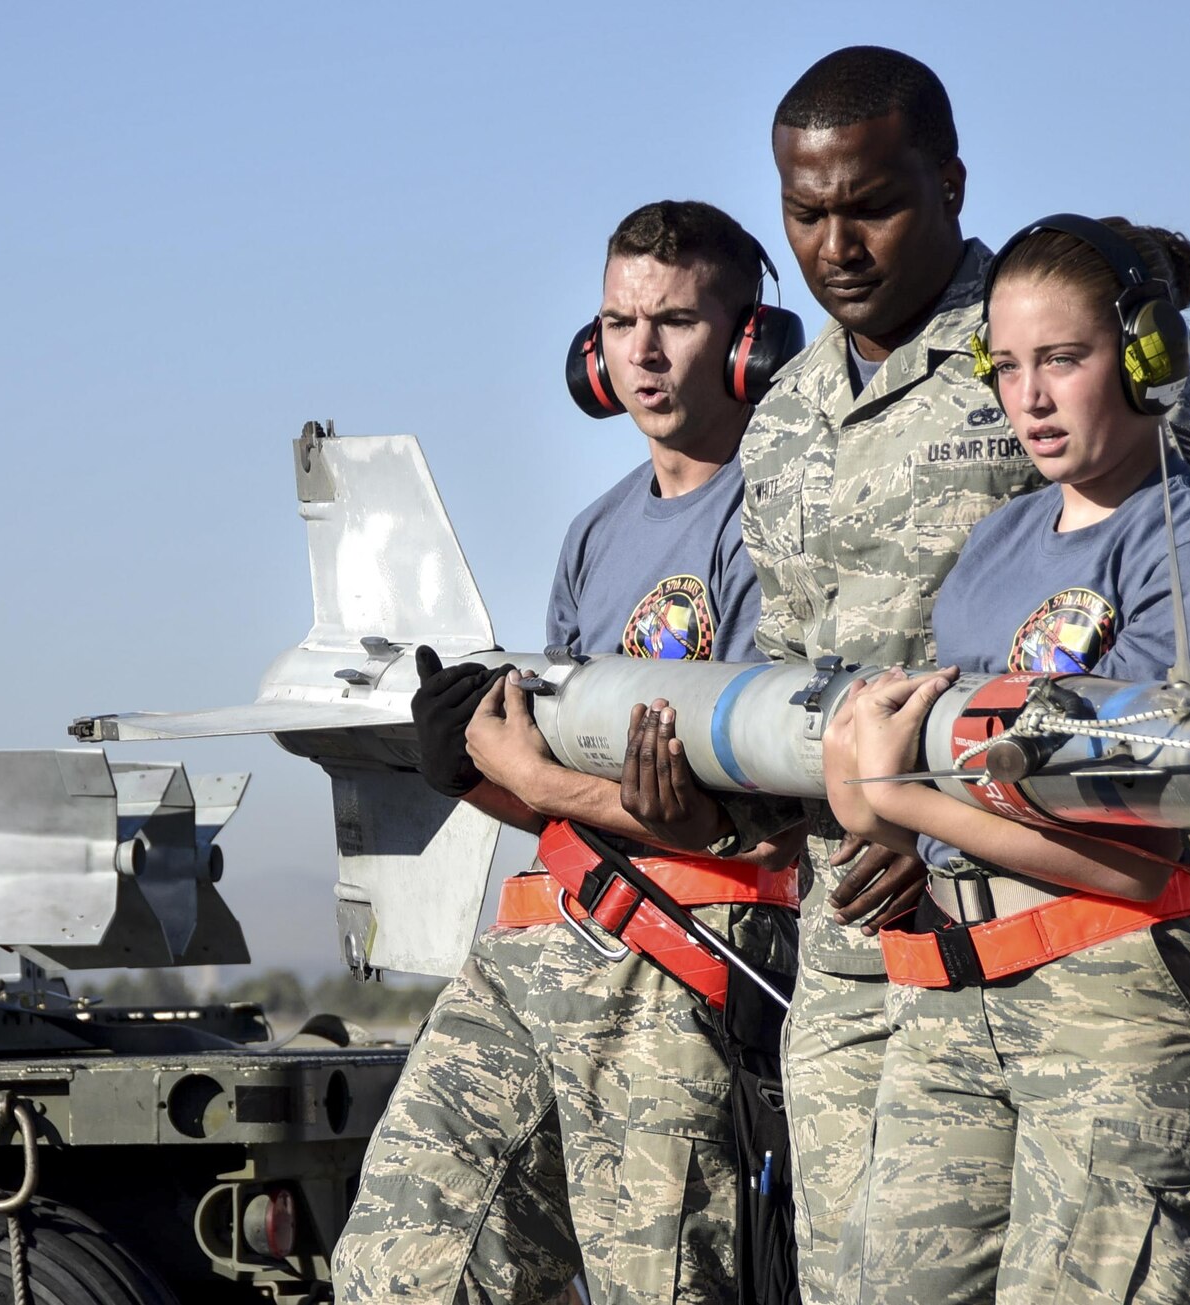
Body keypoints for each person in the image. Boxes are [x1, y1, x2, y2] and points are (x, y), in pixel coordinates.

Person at [722, 47, 1190, 1305]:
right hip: (853, 930)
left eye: (870, 204)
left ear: (950, 182)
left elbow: (1185, 603)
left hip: (1058, 923)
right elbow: (789, 670)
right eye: (805, 213)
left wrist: (954, 824)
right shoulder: (782, 414)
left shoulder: (1052, 338)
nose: (835, 244)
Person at [330, 200, 803, 1305]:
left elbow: (744, 810)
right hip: (542, 936)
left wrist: (537, 778)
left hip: (684, 958)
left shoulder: (776, 521)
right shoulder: (594, 531)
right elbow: (574, 800)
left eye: (676, 321)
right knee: (403, 1269)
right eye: (617, 321)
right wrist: (474, 771)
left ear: (748, 341)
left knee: (669, 1286)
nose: (640, 351)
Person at [820, 215, 1190, 1303]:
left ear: (1141, 357)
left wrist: (897, 801)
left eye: (1062, 360)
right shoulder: (993, 546)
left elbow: (1150, 863)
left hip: (1116, 1015)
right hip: (952, 996)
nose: (1027, 397)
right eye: (1006, 365)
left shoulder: (1185, 550)